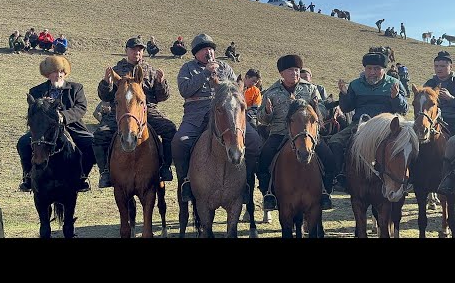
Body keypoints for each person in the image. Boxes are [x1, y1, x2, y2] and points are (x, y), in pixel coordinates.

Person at [171, 33, 262, 202]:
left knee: (254, 140)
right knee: (180, 142)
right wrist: (205, 73)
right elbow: (185, 90)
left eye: (211, 49)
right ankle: (185, 182)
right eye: (205, 49)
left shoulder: (226, 68)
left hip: (227, 115)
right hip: (197, 114)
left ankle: (245, 181)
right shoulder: (188, 68)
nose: (210, 52)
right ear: (197, 53)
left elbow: (236, 91)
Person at [93, 36, 176, 188]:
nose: (137, 52)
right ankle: (105, 172)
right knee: (100, 135)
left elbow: (161, 97)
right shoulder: (116, 70)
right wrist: (107, 84)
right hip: (121, 111)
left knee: (170, 129)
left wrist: (161, 83)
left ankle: (164, 167)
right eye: (133, 49)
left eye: (140, 49)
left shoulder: (150, 71)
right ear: (127, 51)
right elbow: (105, 96)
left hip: (147, 109)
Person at [257, 55, 335, 211]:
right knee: (264, 157)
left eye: (297, 70)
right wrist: (267, 111)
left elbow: (322, 111)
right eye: (290, 70)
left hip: (307, 134)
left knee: (328, 157)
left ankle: (326, 192)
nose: (295, 73)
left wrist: (315, 109)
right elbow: (262, 119)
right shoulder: (270, 92)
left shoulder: (311, 89)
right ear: (282, 73)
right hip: (280, 133)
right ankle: (268, 194)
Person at [328, 52, 409, 191]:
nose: (372, 72)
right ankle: (341, 175)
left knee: (408, 143)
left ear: (383, 69)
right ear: (364, 69)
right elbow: (347, 107)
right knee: (335, 141)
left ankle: (407, 178)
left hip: (387, 126)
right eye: (369, 68)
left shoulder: (394, 83)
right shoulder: (355, 84)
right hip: (360, 124)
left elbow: (404, 109)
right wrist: (344, 94)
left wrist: (396, 97)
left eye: (377, 68)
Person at [17, 56, 95, 192]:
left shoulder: (76, 88)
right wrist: (43, 105)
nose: (58, 75)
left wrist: (63, 116)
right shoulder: (36, 91)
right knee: (23, 143)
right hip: (44, 130)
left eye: (61, 72)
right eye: (54, 72)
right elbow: (33, 112)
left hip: (71, 126)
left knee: (92, 144)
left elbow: (81, 108)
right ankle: (28, 176)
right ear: (48, 74)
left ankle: (82, 177)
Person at [427, 52, 455, 195]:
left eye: (443, 66)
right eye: (437, 66)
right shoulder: (430, 83)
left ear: (451, 66)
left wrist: (451, 99)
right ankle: (411, 177)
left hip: (453, 121)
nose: (439, 69)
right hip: (433, 121)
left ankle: (449, 178)